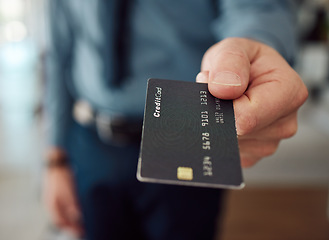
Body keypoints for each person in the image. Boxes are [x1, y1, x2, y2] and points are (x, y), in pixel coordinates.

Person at [43, 1, 308, 240]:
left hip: (186, 134)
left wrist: (254, 49)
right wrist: (55, 160)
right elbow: (58, 51)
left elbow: (257, 8)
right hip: (92, 142)